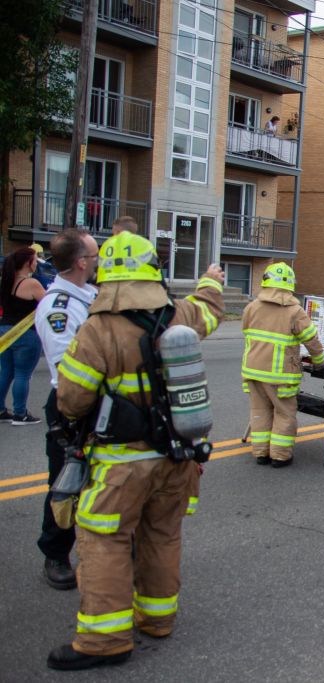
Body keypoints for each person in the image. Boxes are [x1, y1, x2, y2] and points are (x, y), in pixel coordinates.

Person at [47, 232, 224, 670]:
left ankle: (105, 641)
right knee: (162, 535)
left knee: (105, 542)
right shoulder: (176, 313)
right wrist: (210, 281)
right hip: (177, 458)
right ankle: (157, 620)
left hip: (120, 466)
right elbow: (209, 311)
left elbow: (71, 400)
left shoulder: (98, 329)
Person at [33, 229, 99, 590]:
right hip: (71, 404)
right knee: (66, 482)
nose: (98, 261)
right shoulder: (58, 307)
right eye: (94, 255)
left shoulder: (90, 295)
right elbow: (68, 371)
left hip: (101, 401)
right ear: (81, 262)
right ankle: (55, 554)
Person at [241, 263, 324, 468]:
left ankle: (261, 453)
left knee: (259, 411)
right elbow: (311, 339)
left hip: (253, 371)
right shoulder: (295, 311)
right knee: (284, 413)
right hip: (280, 376)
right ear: (290, 285)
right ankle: (280, 456)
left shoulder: (251, 307)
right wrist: (319, 361)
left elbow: (248, 333)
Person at [0, 246, 47, 425]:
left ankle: (1, 410)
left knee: (6, 372)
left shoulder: (6, 281)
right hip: (25, 333)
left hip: (5, 331)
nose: (37, 263)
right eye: (35, 260)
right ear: (28, 263)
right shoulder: (31, 283)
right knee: (22, 374)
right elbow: (48, 303)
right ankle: (20, 414)